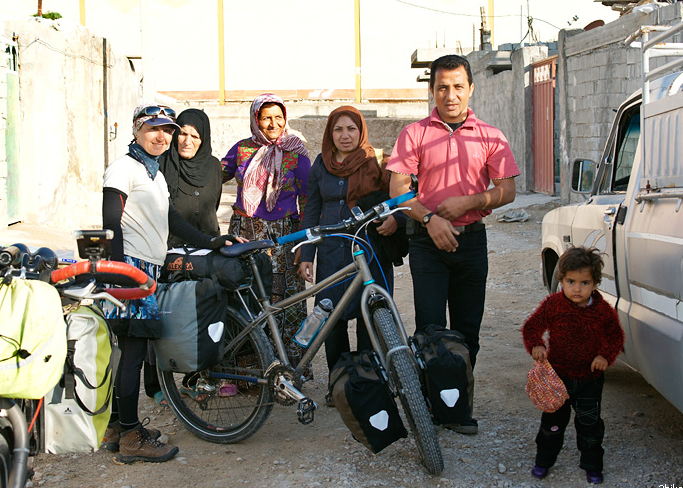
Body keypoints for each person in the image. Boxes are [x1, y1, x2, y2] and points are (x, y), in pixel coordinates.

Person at [387, 54, 520, 435]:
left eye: (458, 86)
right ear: (432, 90)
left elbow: (507, 190)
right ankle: (431, 405)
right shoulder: (413, 134)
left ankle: (458, 406)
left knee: (467, 329)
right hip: (427, 245)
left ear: (470, 89)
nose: (450, 95)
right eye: (442, 87)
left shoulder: (491, 137)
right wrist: (430, 219)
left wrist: (472, 201)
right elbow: (398, 192)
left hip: (472, 243)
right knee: (429, 328)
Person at [102, 103, 236, 463]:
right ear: (136, 131)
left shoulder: (154, 174)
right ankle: (131, 438)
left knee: (130, 352)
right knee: (131, 353)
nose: (162, 136)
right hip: (129, 269)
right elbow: (111, 224)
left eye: (168, 130)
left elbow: (174, 220)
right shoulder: (124, 169)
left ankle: (118, 426)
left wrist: (213, 242)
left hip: (148, 269)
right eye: (153, 129)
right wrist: (119, 273)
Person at [298, 105, 405, 405]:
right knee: (331, 320)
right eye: (338, 129)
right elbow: (312, 211)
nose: (345, 136)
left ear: (361, 131)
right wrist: (308, 253)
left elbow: (395, 201)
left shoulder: (376, 161)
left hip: (369, 251)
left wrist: (395, 221)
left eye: (351, 129)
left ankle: (368, 381)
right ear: (330, 134)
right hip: (331, 253)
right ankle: (340, 384)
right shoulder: (321, 164)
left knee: (369, 315)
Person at [221, 93, 312, 376]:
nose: (273, 124)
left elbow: (308, 200)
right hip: (246, 233)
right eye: (266, 117)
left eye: (278, 117)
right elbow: (214, 176)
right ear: (255, 119)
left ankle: (291, 367)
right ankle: (247, 370)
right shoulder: (242, 150)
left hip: (284, 236)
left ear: (285, 119)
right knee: (246, 297)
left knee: (287, 299)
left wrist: (304, 242)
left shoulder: (297, 152)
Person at [521, 247, 625, 484]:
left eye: (584, 282)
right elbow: (532, 327)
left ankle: (592, 466)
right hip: (558, 377)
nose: (577, 289)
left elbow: (615, 337)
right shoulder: (554, 305)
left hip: (590, 379)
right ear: (561, 280)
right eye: (571, 281)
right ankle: (543, 462)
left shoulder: (601, 311)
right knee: (552, 424)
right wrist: (536, 345)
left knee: (590, 425)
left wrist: (605, 356)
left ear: (595, 283)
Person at [143, 108, 224, 406]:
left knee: (200, 315)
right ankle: (155, 384)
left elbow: (212, 206)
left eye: (195, 136)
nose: (187, 141)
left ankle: (194, 379)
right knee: (162, 317)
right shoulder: (161, 165)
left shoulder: (213, 167)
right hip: (166, 252)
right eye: (183, 134)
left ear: (204, 140)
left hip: (203, 250)